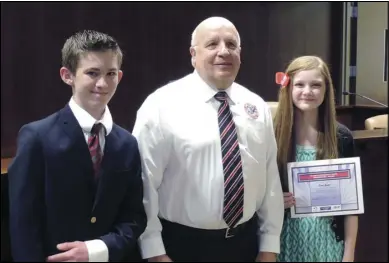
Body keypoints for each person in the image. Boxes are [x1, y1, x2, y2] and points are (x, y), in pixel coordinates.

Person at [132, 17, 284, 262]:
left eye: (231, 45)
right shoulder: (161, 105)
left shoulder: (256, 106)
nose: (224, 51)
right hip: (182, 247)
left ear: (240, 54)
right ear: (193, 54)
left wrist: (269, 245)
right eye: (212, 44)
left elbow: (269, 179)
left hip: (246, 245)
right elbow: (142, 184)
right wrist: (154, 252)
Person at [8, 30, 147, 262]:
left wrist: (97, 250)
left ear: (120, 76)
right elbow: (24, 224)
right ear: (67, 75)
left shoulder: (127, 143)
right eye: (92, 73)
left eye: (110, 73)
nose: (102, 83)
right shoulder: (36, 137)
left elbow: (133, 218)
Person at [273, 56, 359, 262]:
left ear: (326, 90)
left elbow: (351, 206)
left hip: (330, 245)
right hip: (283, 243)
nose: (307, 91)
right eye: (300, 84)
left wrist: (349, 254)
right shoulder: (272, 135)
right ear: (288, 88)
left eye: (316, 85)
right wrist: (272, 201)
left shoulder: (342, 137)